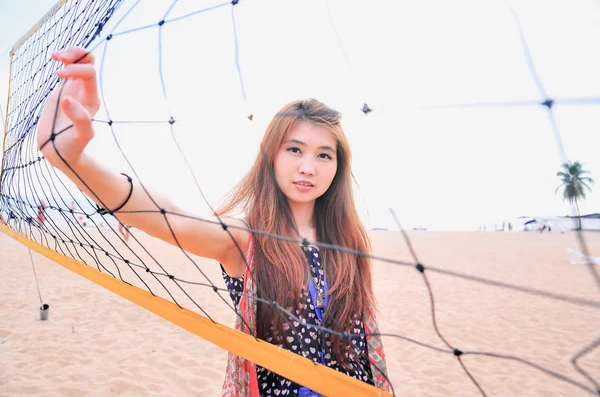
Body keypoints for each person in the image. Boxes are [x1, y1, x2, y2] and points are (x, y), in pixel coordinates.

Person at [36, 46, 390, 396]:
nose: (308, 167)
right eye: (294, 149)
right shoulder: (246, 238)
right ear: (272, 156)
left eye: (323, 155)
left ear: (338, 166)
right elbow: (168, 215)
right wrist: (73, 160)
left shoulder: (348, 242)